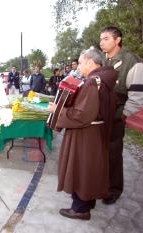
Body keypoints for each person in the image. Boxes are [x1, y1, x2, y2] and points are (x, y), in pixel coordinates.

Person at [49, 48, 117, 220]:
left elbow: (82, 115)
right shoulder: (104, 79)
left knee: (81, 168)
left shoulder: (92, 82)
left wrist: (57, 110)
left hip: (85, 134)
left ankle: (80, 209)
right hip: (95, 131)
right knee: (90, 168)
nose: (78, 67)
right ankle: (87, 203)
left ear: (90, 62)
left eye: (80, 63)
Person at [99, 26, 143, 204]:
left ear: (118, 40)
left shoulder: (132, 61)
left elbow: (138, 95)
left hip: (117, 116)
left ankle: (114, 190)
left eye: (106, 38)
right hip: (101, 114)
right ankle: (101, 185)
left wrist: (123, 116)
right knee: (101, 152)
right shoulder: (104, 60)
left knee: (113, 154)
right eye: (101, 39)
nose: (102, 42)